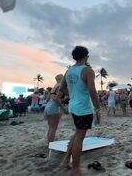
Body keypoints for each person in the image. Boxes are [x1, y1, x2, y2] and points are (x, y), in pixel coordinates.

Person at [60, 46, 101, 176]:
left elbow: (62, 88)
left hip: (73, 107)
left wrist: (72, 96)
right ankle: (76, 168)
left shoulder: (69, 71)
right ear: (85, 56)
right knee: (79, 138)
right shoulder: (87, 71)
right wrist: (98, 108)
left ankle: (66, 160)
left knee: (76, 134)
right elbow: (92, 91)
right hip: (83, 108)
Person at [44, 74, 68, 143]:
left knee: (51, 127)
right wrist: (64, 109)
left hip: (48, 106)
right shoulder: (60, 86)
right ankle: (51, 144)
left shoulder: (54, 87)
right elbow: (57, 99)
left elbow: (47, 98)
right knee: (53, 128)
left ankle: (49, 142)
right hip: (54, 107)